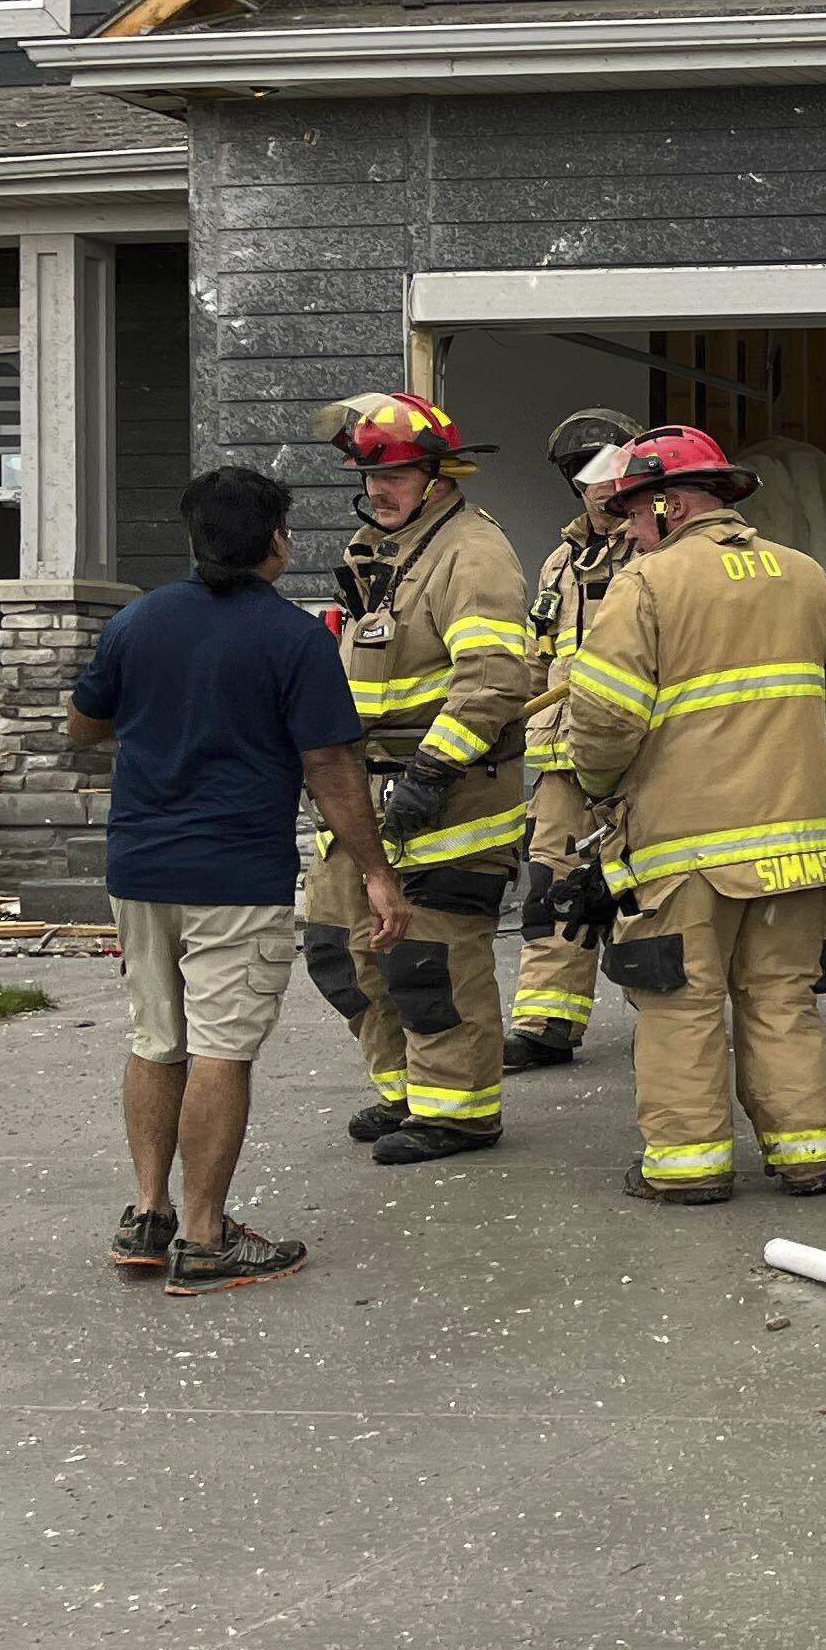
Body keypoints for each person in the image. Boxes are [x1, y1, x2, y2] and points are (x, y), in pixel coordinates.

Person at [68, 467, 410, 1296]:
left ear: (194, 539)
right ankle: (207, 1236)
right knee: (222, 1049)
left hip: (139, 868)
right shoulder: (294, 638)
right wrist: (375, 871)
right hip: (235, 875)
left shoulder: (136, 622)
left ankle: (147, 1216)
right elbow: (330, 765)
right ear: (277, 542)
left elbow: (84, 728)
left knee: (156, 1039)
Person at [559, 426, 826, 1203]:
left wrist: (597, 784)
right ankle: (808, 1154)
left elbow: (602, 719)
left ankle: (687, 1166)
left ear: (669, 503)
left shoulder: (648, 584)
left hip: (688, 845)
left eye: (631, 512)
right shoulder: (804, 576)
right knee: (782, 998)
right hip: (802, 840)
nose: (624, 529)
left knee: (679, 1003)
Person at [300, 391, 537, 1168]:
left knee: (430, 959)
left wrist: (433, 769)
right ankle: (407, 1091)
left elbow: (496, 676)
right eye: (368, 475)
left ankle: (459, 1112)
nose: (378, 489)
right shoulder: (384, 551)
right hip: (363, 797)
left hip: (451, 795)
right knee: (341, 948)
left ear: (439, 476)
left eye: (395, 474)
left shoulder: (472, 552)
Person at [505, 408, 644, 1072]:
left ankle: (676, 1016)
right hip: (562, 760)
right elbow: (539, 661)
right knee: (552, 890)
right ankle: (546, 1024)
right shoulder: (560, 562)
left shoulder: (659, 549)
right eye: (582, 473)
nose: (597, 484)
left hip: (640, 757)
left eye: (608, 466)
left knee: (651, 891)